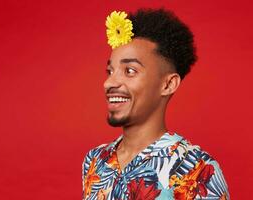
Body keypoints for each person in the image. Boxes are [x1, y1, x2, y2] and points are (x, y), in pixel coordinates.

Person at [82, 8, 229, 200]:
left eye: (130, 71)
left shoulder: (198, 170)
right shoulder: (95, 160)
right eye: (110, 71)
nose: (109, 83)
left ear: (168, 84)